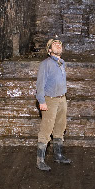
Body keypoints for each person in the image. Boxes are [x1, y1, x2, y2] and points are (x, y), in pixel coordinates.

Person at [35, 38, 71, 171]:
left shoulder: (62, 63)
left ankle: (58, 155)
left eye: (60, 44)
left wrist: (63, 97)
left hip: (62, 99)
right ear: (49, 50)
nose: (58, 45)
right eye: (55, 44)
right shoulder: (46, 64)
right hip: (50, 99)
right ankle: (40, 161)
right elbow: (40, 84)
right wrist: (42, 101)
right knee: (46, 129)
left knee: (60, 127)